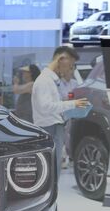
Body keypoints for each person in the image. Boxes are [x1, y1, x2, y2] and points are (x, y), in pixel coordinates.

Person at [32, 46, 89, 177]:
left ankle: (52, 195)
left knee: (53, 169)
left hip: (54, 127)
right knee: (51, 170)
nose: (70, 69)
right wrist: (72, 103)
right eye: (70, 65)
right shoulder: (44, 80)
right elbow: (44, 107)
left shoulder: (51, 80)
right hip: (49, 128)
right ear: (61, 59)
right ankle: (50, 196)